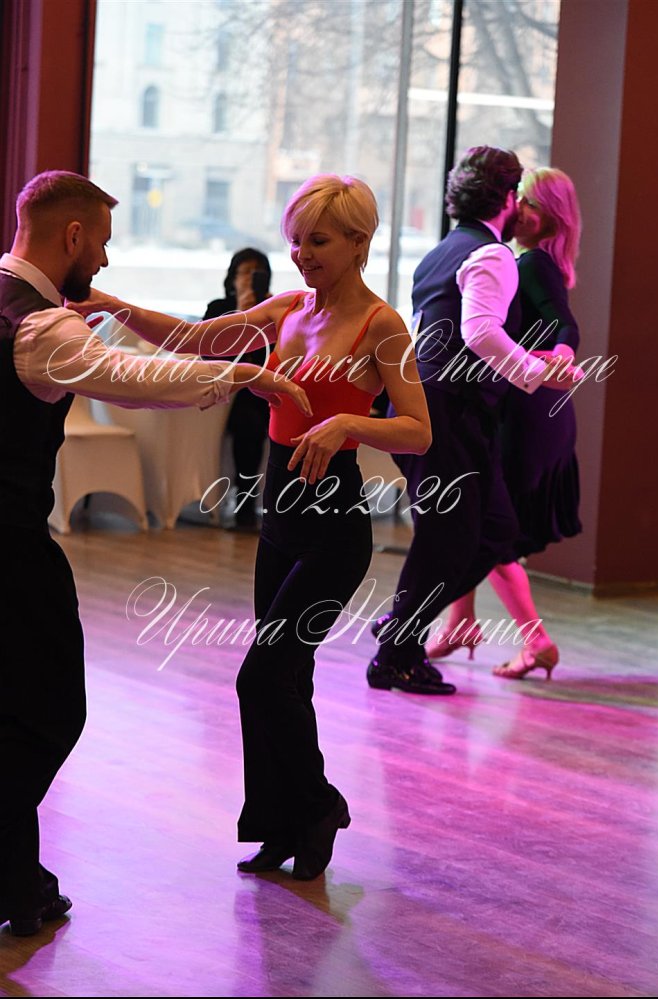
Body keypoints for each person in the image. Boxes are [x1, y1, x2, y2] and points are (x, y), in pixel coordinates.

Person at [73, 174, 432, 880]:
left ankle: (320, 805)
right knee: (287, 677)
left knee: (261, 677)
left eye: (318, 241)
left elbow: (419, 429)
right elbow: (194, 339)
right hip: (279, 515)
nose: (302, 255)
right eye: (296, 240)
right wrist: (112, 305)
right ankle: (283, 822)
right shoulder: (287, 309)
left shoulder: (382, 325)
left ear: (359, 242)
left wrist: (347, 421)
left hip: (334, 525)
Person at [0, 170, 307, 936]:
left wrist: (242, 332)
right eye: (101, 242)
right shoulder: (40, 330)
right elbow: (134, 378)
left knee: (12, 709)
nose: (103, 259)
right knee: (51, 711)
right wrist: (245, 374)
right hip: (10, 551)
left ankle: (18, 881)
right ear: (72, 235)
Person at [367, 146, 582, 696]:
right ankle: (397, 652)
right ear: (507, 199)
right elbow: (480, 332)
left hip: (440, 408)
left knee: (492, 532)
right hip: (449, 412)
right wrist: (537, 372)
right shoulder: (492, 255)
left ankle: (401, 631)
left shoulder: (440, 253)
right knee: (450, 539)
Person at [426, 167, 582, 680]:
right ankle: (461, 621)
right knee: (478, 520)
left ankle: (536, 641)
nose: (518, 208)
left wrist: (560, 354)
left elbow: (564, 323)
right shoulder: (527, 261)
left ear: (548, 216)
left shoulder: (531, 263)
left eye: (528, 203)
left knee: (492, 531)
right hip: (528, 409)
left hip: (527, 415)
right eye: (517, 199)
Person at [203, 249, 272, 531]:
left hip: (264, 392)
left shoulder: (274, 313)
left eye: (257, 273)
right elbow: (210, 356)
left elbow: (274, 360)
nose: (250, 279)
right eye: (245, 272)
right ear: (232, 277)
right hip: (227, 392)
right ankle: (245, 503)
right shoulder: (219, 309)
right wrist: (242, 316)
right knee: (249, 422)